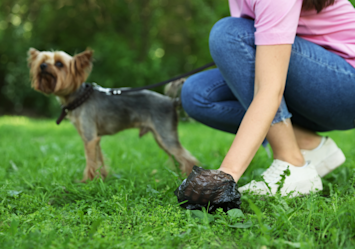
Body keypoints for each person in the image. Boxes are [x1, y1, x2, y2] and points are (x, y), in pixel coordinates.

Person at [180, 0, 355, 196]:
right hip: (314, 81)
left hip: (346, 86)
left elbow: (269, 89)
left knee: (229, 34)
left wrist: (226, 175)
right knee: (197, 93)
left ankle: (291, 162)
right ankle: (308, 145)